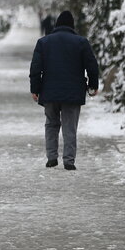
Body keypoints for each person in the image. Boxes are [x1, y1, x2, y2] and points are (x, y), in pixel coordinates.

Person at [29, 10, 99, 170]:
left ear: (56, 25)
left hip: (49, 92)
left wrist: (35, 88)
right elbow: (92, 66)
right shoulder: (81, 42)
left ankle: (51, 158)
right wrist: (93, 85)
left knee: (51, 124)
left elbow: (35, 68)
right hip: (73, 92)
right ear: (72, 26)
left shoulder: (43, 42)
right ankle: (69, 161)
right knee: (70, 126)